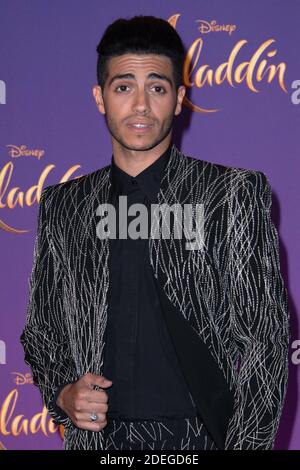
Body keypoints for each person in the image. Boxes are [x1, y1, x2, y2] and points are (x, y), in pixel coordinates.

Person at [20, 15, 290, 451]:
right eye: (124, 87)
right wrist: (62, 393)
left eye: (158, 87)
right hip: (99, 444)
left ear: (180, 98)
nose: (141, 105)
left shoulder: (229, 195)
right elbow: (43, 327)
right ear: (100, 97)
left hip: (200, 441)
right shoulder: (64, 205)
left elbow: (265, 339)